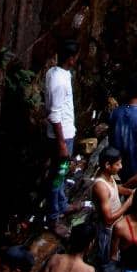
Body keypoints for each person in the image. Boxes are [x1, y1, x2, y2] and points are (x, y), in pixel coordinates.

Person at [44, 38, 79, 235]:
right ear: (72, 59)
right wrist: (61, 144)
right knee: (57, 176)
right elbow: (54, 113)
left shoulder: (54, 73)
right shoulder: (59, 81)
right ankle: (53, 218)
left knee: (61, 173)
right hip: (62, 137)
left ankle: (62, 203)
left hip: (63, 135)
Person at [92, 147, 133, 263]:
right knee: (107, 258)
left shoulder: (108, 176)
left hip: (117, 224)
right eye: (117, 164)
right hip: (108, 229)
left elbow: (114, 189)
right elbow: (108, 219)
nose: (121, 167)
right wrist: (127, 204)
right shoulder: (101, 186)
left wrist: (129, 192)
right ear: (107, 165)